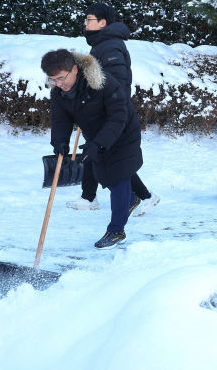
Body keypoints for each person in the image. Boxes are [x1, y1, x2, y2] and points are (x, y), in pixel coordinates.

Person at [42, 49, 143, 249]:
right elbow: (60, 118)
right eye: (53, 80)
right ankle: (132, 198)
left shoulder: (104, 84)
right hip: (95, 134)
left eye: (61, 78)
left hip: (123, 133)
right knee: (103, 172)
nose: (58, 84)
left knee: (118, 176)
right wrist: (60, 141)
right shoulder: (59, 92)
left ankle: (116, 231)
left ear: (75, 70)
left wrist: (98, 144)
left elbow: (118, 118)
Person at [65, 2, 159, 215]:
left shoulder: (111, 46)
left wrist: (108, 110)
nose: (85, 23)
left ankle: (144, 196)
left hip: (110, 111)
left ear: (103, 23)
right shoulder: (102, 43)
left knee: (107, 155)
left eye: (89, 19)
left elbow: (117, 82)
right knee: (96, 151)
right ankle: (89, 197)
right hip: (101, 109)